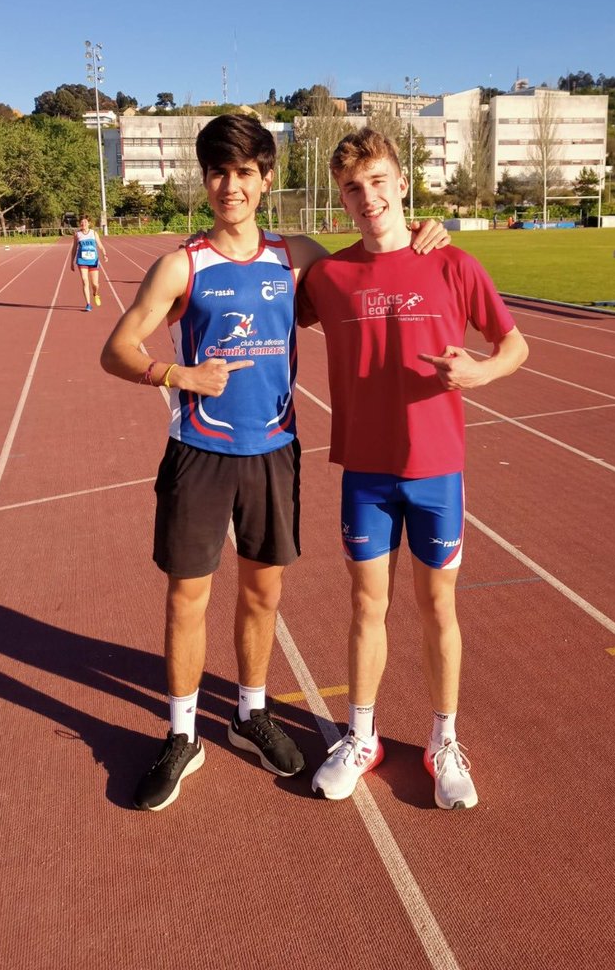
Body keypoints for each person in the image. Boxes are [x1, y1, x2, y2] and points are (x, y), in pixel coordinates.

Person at [100, 114, 448, 811]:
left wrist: (423, 232)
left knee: (263, 594)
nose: (230, 186)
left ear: (265, 180)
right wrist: (177, 375)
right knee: (187, 598)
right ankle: (182, 735)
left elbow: (371, 264)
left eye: (244, 173)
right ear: (206, 181)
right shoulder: (183, 265)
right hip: (199, 452)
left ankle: (250, 713)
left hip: (274, 452)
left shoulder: (297, 258)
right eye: (218, 173)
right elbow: (117, 350)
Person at [299, 128, 528, 811]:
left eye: (377, 182)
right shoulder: (329, 278)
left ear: (402, 184)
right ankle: (362, 737)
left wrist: (482, 372)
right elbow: (275, 264)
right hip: (366, 475)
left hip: (436, 472)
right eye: (352, 188)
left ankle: (442, 742)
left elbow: (514, 344)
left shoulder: (453, 264)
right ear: (342, 200)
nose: (367, 197)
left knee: (437, 608)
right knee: (366, 606)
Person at [69, 216, 108, 311]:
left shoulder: (93, 233)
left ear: (89, 224)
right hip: (82, 260)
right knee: (85, 281)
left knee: (95, 284)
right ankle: (88, 304)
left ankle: (95, 293)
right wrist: (72, 262)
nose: (83, 224)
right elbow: (74, 248)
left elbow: (100, 245)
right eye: (82, 222)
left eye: (85, 222)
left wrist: (104, 254)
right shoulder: (77, 234)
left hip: (93, 261)